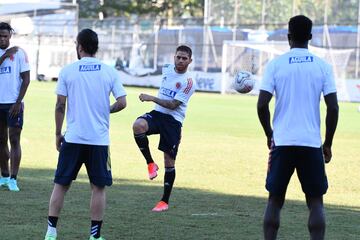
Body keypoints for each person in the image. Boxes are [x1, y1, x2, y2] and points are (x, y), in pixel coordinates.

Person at [257, 15, 339, 240]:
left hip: (282, 142)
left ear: (288, 37)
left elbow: (262, 104)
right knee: (315, 202)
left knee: (275, 200)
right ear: (311, 37)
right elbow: (333, 107)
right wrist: (328, 143)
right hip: (311, 143)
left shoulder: (275, 65)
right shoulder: (323, 66)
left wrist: (269, 134)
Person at [44, 29, 127, 240]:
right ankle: (95, 236)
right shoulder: (109, 71)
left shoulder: (68, 71)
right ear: (95, 46)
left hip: (72, 138)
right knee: (98, 188)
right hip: (98, 141)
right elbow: (122, 102)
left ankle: (51, 232)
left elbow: (60, 105)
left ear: (79, 46)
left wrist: (57, 133)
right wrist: (106, 109)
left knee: (61, 185)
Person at [133, 45, 195, 212]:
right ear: (174, 57)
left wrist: (151, 97)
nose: (180, 60)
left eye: (184, 58)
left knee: (169, 161)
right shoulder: (167, 69)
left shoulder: (189, 82)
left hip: (173, 120)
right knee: (138, 126)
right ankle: (150, 164)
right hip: (158, 114)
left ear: (190, 61)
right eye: (178, 57)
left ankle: (164, 201)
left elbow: (173, 105)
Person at [0, 22, 30, 192]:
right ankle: (3, 175)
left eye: (5, 36)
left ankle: (13, 178)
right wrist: (4, 56)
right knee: (1, 140)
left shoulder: (19, 53)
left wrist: (18, 102)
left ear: (10, 36)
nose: (3, 39)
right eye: (0, 36)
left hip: (13, 104)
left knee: (14, 140)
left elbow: (26, 79)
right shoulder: (6, 54)